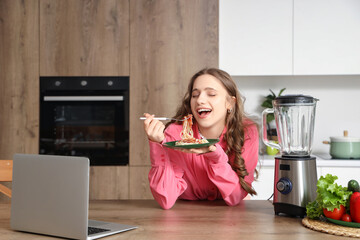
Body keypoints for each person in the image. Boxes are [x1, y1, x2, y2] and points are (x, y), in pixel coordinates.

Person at [143, 68, 259, 210]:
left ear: (230, 103)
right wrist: (157, 144)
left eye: (211, 94)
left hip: (232, 215)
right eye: (195, 95)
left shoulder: (247, 132)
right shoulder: (175, 133)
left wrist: (215, 157)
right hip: (186, 215)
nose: (200, 100)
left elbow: (235, 196)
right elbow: (165, 199)